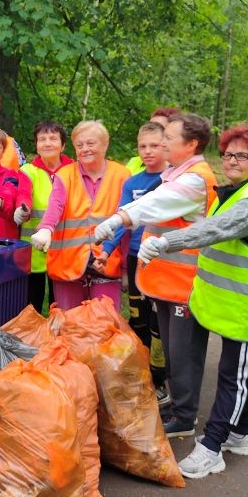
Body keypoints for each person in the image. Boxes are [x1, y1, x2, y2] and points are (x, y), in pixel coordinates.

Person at [136, 124, 248, 479]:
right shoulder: (237, 189)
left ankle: (212, 447)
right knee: (240, 371)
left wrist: (165, 243)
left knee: (233, 375)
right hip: (233, 304)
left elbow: (215, 229)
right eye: (229, 154)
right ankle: (239, 434)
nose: (233, 161)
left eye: (243, 155)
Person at [94, 112, 217, 438]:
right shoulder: (178, 174)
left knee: (183, 352)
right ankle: (178, 404)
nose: (162, 145)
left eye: (168, 140)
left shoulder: (194, 179)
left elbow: (156, 205)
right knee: (174, 351)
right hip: (166, 282)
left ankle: (185, 416)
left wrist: (119, 219)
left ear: (191, 144)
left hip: (185, 286)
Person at [97, 121, 169, 402]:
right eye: (143, 146)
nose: (148, 152)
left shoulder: (172, 180)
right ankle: (141, 372)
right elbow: (121, 219)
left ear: (166, 146)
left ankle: (161, 378)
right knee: (137, 321)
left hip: (164, 262)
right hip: (135, 257)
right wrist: (105, 250)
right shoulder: (132, 182)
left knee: (158, 325)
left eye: (155, 146)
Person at [29, 121, 130, 310]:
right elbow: (55, 206)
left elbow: (126, 223)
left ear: (105, 144)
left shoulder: (122, 175)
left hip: (107, 263)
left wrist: (125, 269)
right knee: (69, 325)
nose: (85, 149)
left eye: (90, 144)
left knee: (104, 325)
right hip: (68, 265)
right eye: (79, 145)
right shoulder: (65, 175)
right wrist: (45, 229)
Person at [18, 121, 73, 312]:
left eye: (53, 138)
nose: (47, 143)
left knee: (60, 304)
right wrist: (22, 209)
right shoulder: (27, 171)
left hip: (64, 247)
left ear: (63, 145)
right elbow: (23, 195)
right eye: (42, 139)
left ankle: (58, 339)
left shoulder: (73, 170)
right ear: (36, 145)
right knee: (32, 303)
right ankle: (32, 338)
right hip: (34, 248)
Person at [126, 106, 179, 174]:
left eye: (159, 127)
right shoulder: (135, 162)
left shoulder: (179, 167)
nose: (152, 130)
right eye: (150, 126)